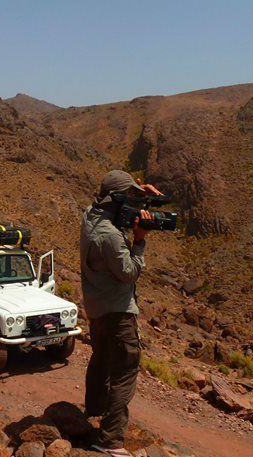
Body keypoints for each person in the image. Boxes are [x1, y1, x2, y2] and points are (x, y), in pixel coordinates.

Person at [80, 170, 161, 456]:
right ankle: (110, 439)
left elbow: (117, 210)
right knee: (125, 370)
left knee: (101, 360)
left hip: (96, 307)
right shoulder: (111, 237)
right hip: (117, 311)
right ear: (115, 198)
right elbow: (129, 273)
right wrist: (139, 240)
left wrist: (140, 196)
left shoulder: (90, 215)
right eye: (127, 195)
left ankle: (93, 414)